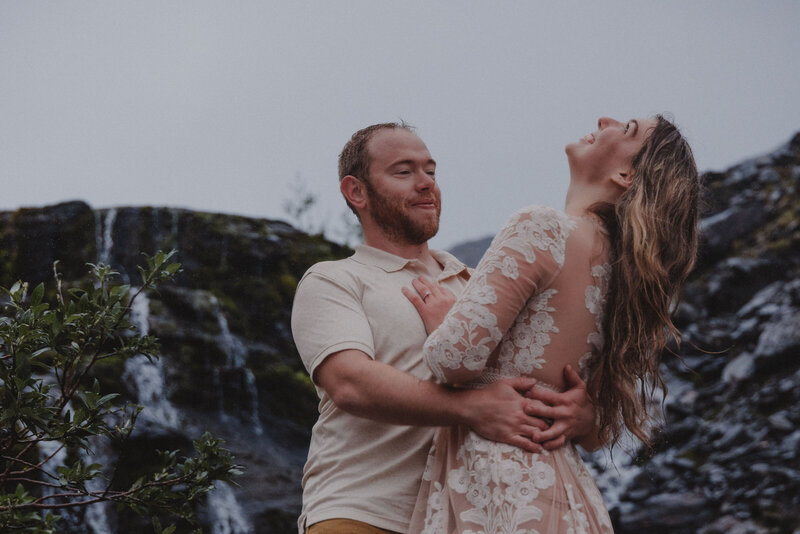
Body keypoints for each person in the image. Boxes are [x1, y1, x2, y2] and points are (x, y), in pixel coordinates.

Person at [291, 123, 598, 534]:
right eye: (404, 172)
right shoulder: (334, 280)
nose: (425, 184)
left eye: (431, 172)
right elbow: (350, 383)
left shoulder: (481, 284)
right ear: (356, 191)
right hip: (362, 513)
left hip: (467, 515)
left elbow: (542, 381)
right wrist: (470, 408)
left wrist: (584, 416)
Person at [403, 115, 700, 533]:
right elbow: (599, 430)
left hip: (498, 489)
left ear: (624, 174)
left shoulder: (540, 226)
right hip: (568, 497)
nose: (605, 120)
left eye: (628, 128)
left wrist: (444, 319)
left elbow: (454, 359)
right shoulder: (627, 276)